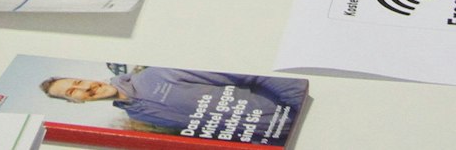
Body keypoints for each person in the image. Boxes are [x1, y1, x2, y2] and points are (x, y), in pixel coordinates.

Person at [42, 68, 307, 135]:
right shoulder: (140, 117)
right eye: (72, 92)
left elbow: (251, 73)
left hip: (304, 113)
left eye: (78, 81)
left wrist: (301, 107)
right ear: (75, 103)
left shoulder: (156, 74)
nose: (86, 87)